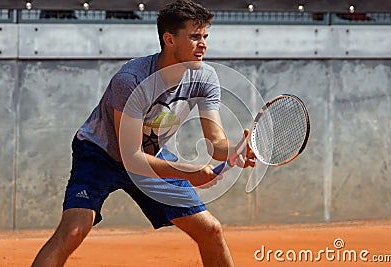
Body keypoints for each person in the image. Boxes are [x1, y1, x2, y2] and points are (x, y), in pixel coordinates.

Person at [31, 0, 255, 266]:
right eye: (194, 36)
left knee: (211, 230)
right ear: (169, 39)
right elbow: (131, 158)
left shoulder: (205, 78)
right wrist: (188, 172)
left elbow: (215, 142)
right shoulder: (132, 79)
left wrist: (235, 149)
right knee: (73, 230)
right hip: (99, 154)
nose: (203, 44)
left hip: (150, 155)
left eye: (205, 36)